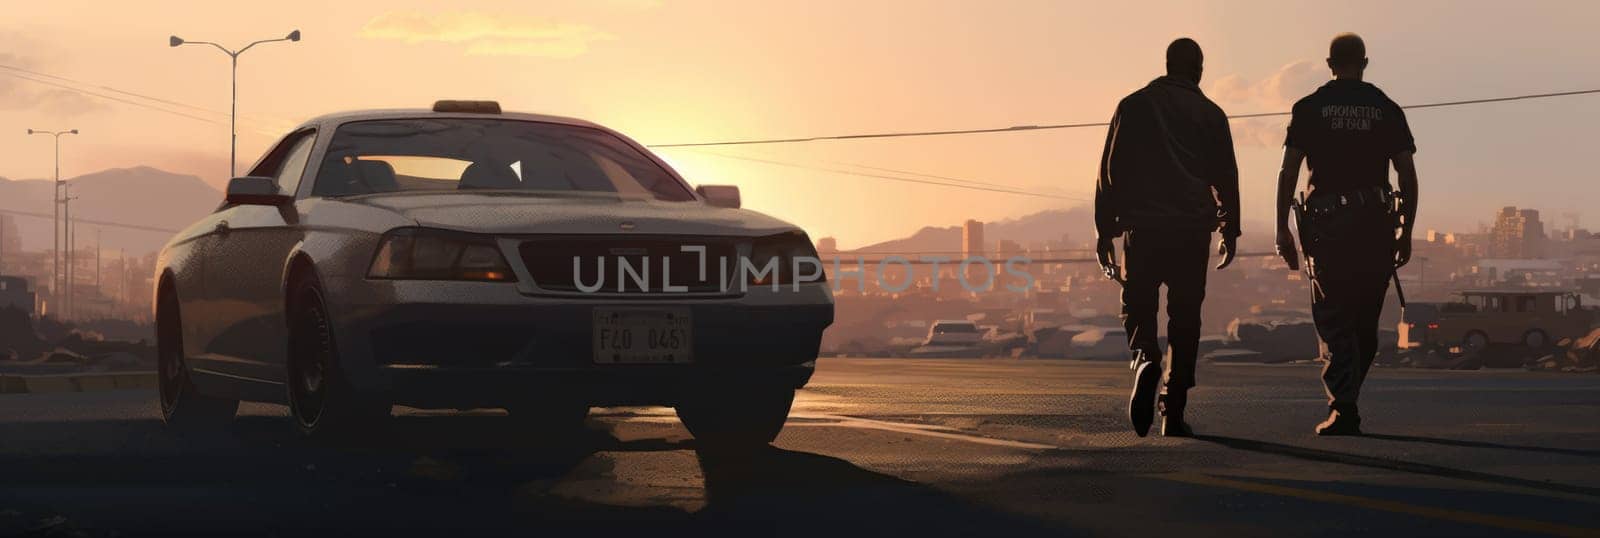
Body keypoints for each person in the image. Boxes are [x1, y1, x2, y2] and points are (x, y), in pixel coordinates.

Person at [1275, 33, 1419, 436]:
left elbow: (1288, 171)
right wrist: (1406, 232)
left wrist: (1281, 229)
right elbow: (1407, 174)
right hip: (1374, 227)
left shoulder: (1309, 108)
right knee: (1363, 322)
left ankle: (1344, 406)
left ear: (1329, 63)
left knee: (1333, 318)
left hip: (1329, 230)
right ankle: (1347, 401)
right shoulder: (1385, 108)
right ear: (1365, 63)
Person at [1095, 38, 1240, 438]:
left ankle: (1144, 356)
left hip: (1143, 228)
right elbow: (1226, 176)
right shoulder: (1212, 115)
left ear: (1167, 64)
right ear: (1199, 71)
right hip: (1191, 232)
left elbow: (1110, 170)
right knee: (1185, 319)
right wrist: (1231, 228)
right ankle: (1173, 412)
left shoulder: (1133, 105)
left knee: (1138, 303)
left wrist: (1104, 230)